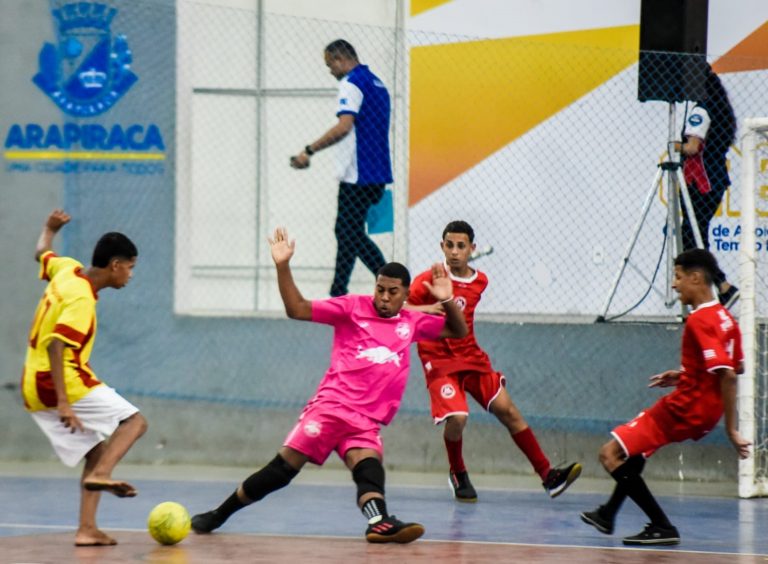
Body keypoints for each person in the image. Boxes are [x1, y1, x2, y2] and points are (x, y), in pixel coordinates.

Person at [191, 227, 468, 543]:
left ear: (405, 295)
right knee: (281, 471)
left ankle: (378, 522)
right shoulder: (352, 307)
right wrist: (282, 266)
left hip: (365, 421)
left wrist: (447, 299)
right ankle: (219, 515)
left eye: (393, 292)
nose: (384, 297)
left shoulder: (411, 322)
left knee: (369, 469)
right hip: (331, 409)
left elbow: (457, 331)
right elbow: (296, 308)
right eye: (380, 289)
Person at [580, 249, 750, 546]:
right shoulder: (725, 318)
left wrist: (732, 431)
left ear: (696, 278)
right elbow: (736, 365)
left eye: (678, 276)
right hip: (701, 411)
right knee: (637, 451)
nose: (674, 284)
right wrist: (686, 375)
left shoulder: (701, 320)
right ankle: (607, 514)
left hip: (685, 409)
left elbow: (729, 376)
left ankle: (662, 525)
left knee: (609, 454)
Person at [407, 221, 582, 502]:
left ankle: (548, 476)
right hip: (438, 360)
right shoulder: (428, 279)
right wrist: (428, 308)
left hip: (472, 358)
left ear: (471, 249)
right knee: (458, 417)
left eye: (461, 246)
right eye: (449, 245)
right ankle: (458, 472)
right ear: (442, 247)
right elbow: (401, 307)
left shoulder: (480, 281)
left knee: (509, 411)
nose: (454, 252)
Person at [21, 209, 147, 547]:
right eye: (131, 268)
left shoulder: (67, 269)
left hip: (33, 382)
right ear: (116, 265)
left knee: (95, 450)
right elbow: (57, 345)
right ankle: (102, 475)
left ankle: (86, 529)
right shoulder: (81, 299)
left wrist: (49, 228)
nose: (131, 276)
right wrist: (64, 402)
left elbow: (41, 254)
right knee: (134, 423)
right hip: (57, 381)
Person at [290, 38, 392, 297]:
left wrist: (309, 150)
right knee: (349, 232)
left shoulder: (352, 83)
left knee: (347, 232)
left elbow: (344, 127)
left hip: (358, 173)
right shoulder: (378, 84)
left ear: (340, 59)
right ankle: (338, 290)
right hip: (378, 171)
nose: (330, 71)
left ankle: (392, 282)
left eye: (329, 65)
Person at [676, 64, 739, 308]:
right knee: (696, 234)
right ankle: (720, 289)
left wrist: (675, 145)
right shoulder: (720, 108)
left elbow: (692, 147)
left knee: (693, 234)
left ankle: (721, 287)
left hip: (700, 183)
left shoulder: (700, 111)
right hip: (716, 180)